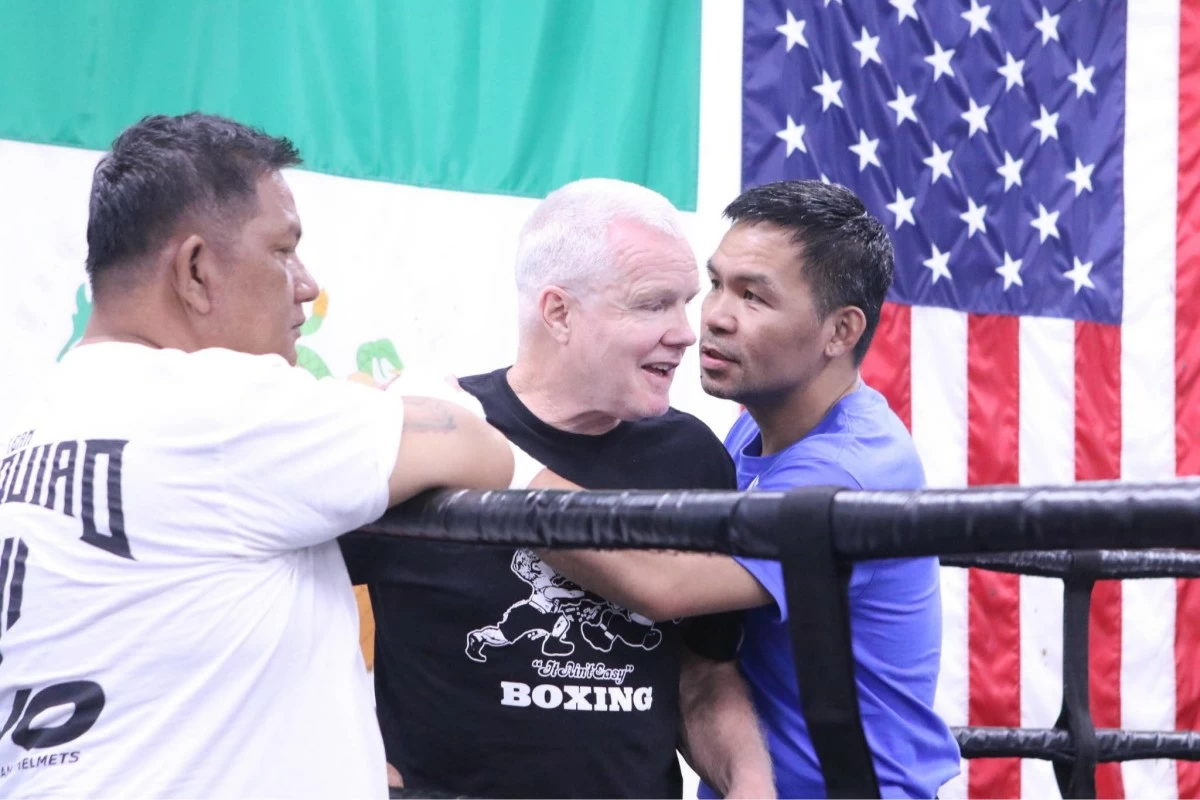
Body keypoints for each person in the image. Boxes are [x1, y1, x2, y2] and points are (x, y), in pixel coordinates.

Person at [0, 113, 564, 799]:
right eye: (282, 250)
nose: (305, 285)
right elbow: (479, 454)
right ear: (196, 270)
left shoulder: (32, 426)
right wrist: (416, 392)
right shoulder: (220, 406)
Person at [341, 179, 774, 799]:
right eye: (653, 304)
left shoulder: (693, 458)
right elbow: (281, 602)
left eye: (685, 302)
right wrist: (336, 745)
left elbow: (702, 670)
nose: (685, 332)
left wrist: (750, 780)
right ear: (558, 312)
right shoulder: (422, 436)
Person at [539, 180, 962, 798]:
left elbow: (663, 588)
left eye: (753, 296)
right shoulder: (749, 433)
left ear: (841, 332)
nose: (714, 315)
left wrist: (497, 465)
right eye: (716, 283)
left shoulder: (850, 467)